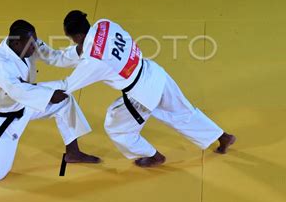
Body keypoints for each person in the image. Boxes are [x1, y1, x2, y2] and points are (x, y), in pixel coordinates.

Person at [50, 10, 236, 167]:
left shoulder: (93, 61)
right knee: (184, 113)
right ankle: (223, 137)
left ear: (77, 37)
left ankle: (154, 156)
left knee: (116, 127)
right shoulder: (104, 24)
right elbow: (95, 49)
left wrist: (38, 95)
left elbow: (67, 86)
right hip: (155, 73)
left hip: (141, 94)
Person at [0, 19, 100, 182]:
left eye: (35, 41)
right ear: (16, 43)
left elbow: (54, 56)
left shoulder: (27, 42)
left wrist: (80, 50)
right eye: (31, 44)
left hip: (24, 103)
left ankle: (72, 152)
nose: (35, 46)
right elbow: (18, 91)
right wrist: (49, 95)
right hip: (1, 118)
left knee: (65, 100)